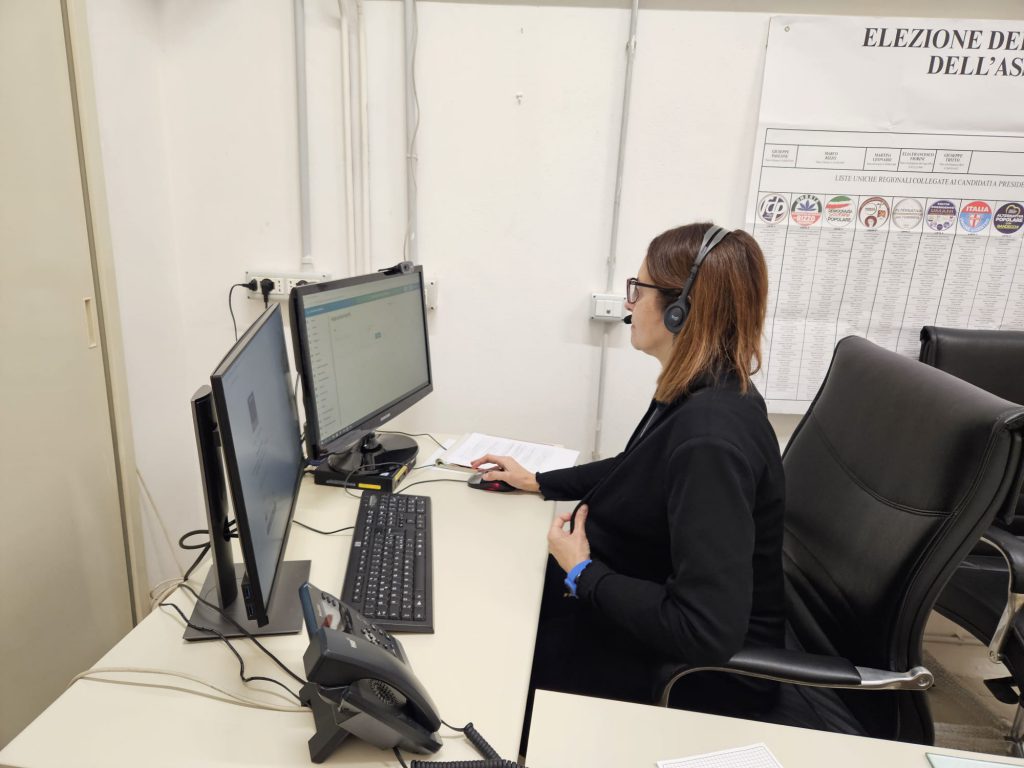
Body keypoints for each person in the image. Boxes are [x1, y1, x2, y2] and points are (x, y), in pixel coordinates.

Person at [472, 222, 786, 735]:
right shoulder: (707, 389)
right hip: (636, 593)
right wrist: (540, 481)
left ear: (680, 309)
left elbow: (704, 630)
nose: (629, 304)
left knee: (491, 661)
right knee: (498, 592)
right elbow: (638, 465)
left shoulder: (710, 440)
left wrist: (582, 573)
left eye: (638, 289)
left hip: (692, 676)